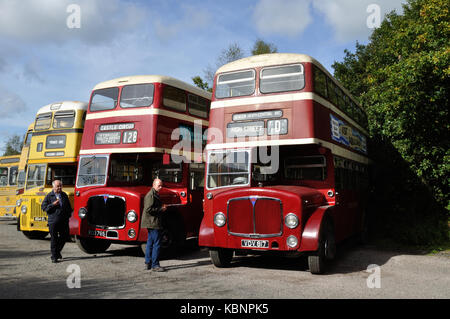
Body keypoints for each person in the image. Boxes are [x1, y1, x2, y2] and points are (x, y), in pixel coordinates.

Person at [41, 180, 72, 263]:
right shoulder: (49, 196)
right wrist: (53, 204)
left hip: (64, 221)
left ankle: (57, 252)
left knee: (65, 236)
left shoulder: (64, 195)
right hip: (53, 221)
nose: (59, 188)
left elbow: (68, 207)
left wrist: (69, 215)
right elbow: (44, 207)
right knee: (54, 239)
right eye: (58, 186)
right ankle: (54, 257)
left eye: (60, 186)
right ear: (53, 187)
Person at [141, 178, 167, 272]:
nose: (161, 187)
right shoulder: (151, 195)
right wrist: (161, 209)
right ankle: (155, 265)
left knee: (150, 243)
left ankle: (148, 263)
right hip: (153, 222)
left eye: (161, 185)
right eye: (159, 185)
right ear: (154, 185)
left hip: (151, 222)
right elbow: (148, 209)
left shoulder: (154, 194)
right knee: (156, 244)